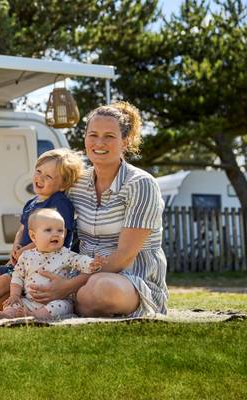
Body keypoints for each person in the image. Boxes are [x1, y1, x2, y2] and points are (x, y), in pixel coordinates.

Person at [28, 101, 168, 317]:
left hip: (129, 281)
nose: (99, 143)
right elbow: (44, 205)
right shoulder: (77, 183)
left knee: (100, 288)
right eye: (93, 135)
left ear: (126, 141)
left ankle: (71, 302)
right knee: (23, 280)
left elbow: (123, 257)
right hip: (78, 274)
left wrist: (68, 286)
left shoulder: (141, 184)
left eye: (109, 136)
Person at [0, 148, 84, 315]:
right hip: (24, 260)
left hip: (42, 263)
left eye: (48, 176)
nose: (39, 178)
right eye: (38, 171)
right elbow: (23, 229)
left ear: (63, 185)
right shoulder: (32, 203)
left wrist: (25, 251)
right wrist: (16, 245)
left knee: (1, 283)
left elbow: (53, 235)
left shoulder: (60, 203)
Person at [0, 208, 102, 319]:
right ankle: (11, 313)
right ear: (33, 236)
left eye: (60, 231)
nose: (55, 234)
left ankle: (34, 316)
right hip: (30, 301)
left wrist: (92, 263)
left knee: (61, 306)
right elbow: (17, 276)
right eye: (48, 230)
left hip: (56, 300)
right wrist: (15, 295)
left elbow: (80, 260)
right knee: (13, 303)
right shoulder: (26, 256)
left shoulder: (65, 254)